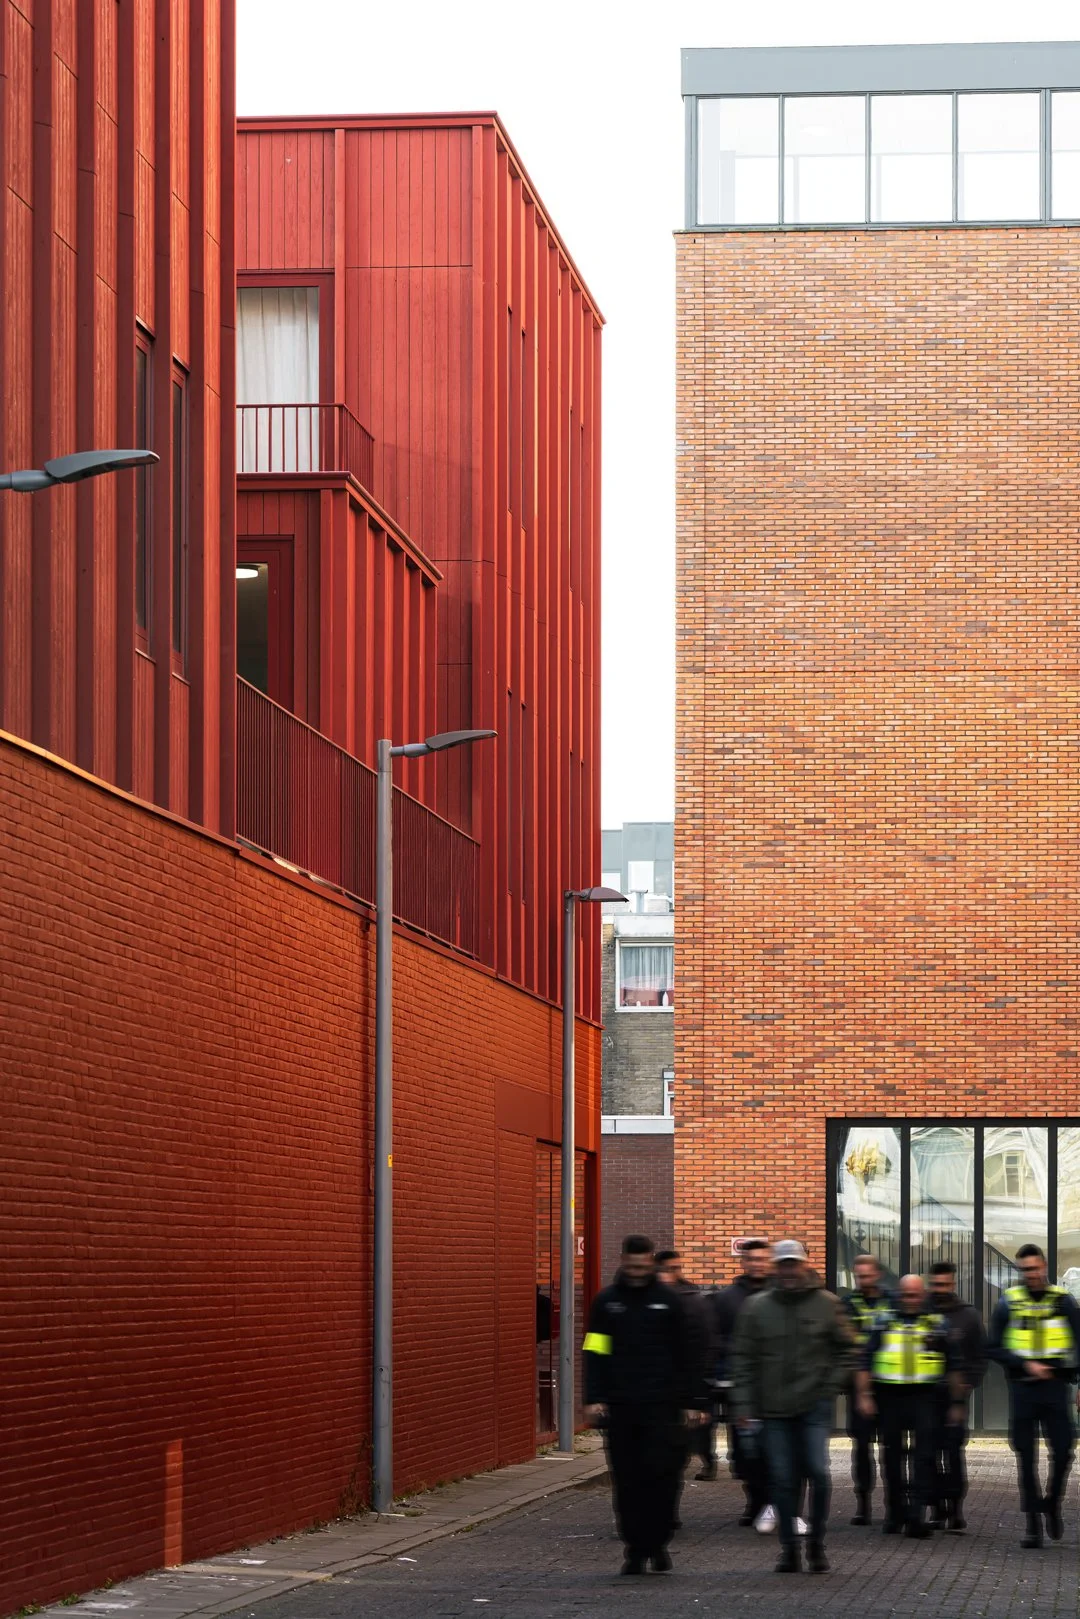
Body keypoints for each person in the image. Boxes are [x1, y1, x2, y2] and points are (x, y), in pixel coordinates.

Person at [584, 1234, 708, 1575]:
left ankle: (658, 1542)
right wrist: (593, 1397)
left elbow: (686, 1353)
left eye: (642, 1266)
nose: (636, 1271)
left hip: (663, 1408)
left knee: (663, 1477)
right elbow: (594, 1351)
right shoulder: (607, 1303)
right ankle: (635, 1548)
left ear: (650, 1261)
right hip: (622, 1408)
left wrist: (691, 1401)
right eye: (630, 1265)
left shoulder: (668, 1302)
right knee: (627, 1481)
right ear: (623, 1261)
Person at [732, 1238, 853, 1575]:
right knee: (783, 1479)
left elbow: (848, 1348)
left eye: (792, 1263)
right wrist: (743, 1403)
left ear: (803, 1265)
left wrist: (829, 1386)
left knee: (817, 1471)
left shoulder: (827, 1305)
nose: (787, 1270)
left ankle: (817, 1543)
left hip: (813, 1406)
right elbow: (741, 1360)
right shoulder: (757, 1308)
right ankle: (789, 1549)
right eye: (782, 1264)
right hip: (773, 1411)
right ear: (776, 1267)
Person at [987, 1242, 1080, 1548]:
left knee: (1064, 1451)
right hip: (1023, 1388)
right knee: (1026, 1458)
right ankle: (1032, 1525)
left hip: (1055, 1387)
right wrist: (1025, 1363)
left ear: (1044, 1267)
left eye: (1034, 1268)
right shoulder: (1009, 1302)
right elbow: (993, 1347)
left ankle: (1051, 1503)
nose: (1030, 1274)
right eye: (1024, 1270)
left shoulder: (1062, 1301)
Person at [857, 1274, 961, 1538]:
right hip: (889, 1398)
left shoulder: (936, 1324)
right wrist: (865, 1395)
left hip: (926, 1398)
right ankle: (895, 1513)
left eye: (916, 1294)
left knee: (923, 1458)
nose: (911, 1299)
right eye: (907, 1295)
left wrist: (956, 1402)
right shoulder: (884, 1321)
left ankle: (916, 1517)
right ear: (899, 1294)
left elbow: (954, 1364)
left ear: (923, 1294)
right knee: (891, 1457)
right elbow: (865, 1360)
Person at [710, 1238, 773, 1524]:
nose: (757, 1264)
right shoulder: (727, 1299)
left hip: (774, 1388)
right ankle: (755, 1499)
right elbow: (716, 1339)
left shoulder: (780, 1294)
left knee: (773, 1450)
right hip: (742, 1389)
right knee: (744, 1454)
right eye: (752, 1259)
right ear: (743, 1262)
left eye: (762, 1259)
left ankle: (770, 1503)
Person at [927, 1260, 985, 1533]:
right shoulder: (923, 1312)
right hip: (926, 1396)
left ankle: (956, 1509)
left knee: (952, 1453)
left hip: (955, 1397)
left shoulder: (968, 1316)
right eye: (936, 1284)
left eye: (945, 1284)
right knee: (928, 1454)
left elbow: (979, 1356)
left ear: (953, 1284)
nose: (940, 1289)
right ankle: (937, 1508)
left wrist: (967, 1387)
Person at [656, 1250, 715, 1485]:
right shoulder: (647, 1298)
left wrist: (701, 1385)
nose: (674, 1273)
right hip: (657, 1387)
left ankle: (706, 1461)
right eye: (668, 1269)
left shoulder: (691, 1299)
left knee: (694, 1433)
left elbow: (706, 1341)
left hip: (688, 1383)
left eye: (677, 1268)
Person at [841, 1253, 888, 1526]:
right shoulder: (848, 1304)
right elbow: (846, 1340)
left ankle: (893, 1503)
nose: (863, 1280)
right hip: (859, 1385)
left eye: (867, 1275)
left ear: (878, 1274)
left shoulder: (891, 1302)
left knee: (891, 1447)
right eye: (859, 1276)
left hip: (887, 1385)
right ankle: (863, 1504)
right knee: (861, 1448)